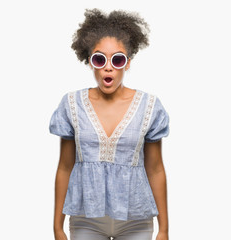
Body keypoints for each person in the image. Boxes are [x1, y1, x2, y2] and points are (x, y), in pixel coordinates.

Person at [49, 8, 170, 240]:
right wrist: (57, 227)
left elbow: (155, 169)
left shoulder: (150, 106)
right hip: (86, 219)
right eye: (99, 58)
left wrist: (163, 229)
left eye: (117, 59)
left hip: (136, 221)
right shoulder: (71, 105)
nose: (108, 67)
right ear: (90, 62)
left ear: (128, 63)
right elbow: (65, 166)